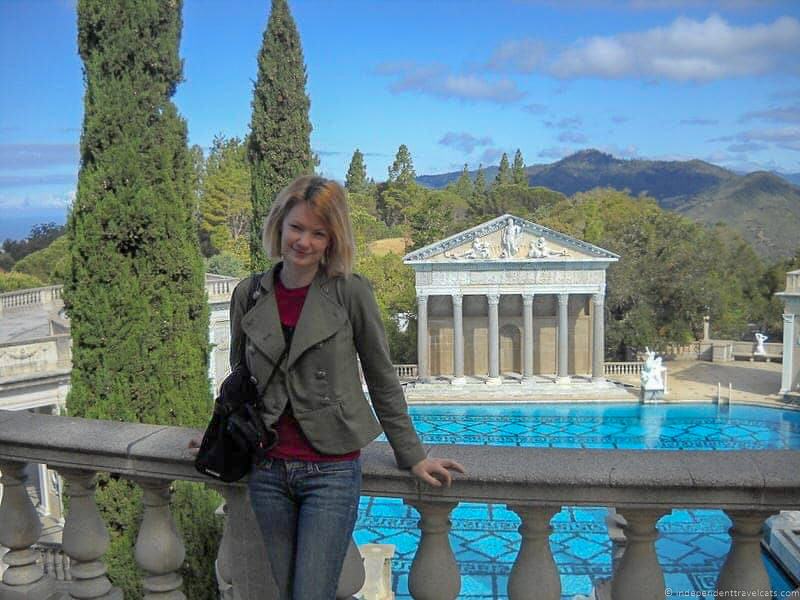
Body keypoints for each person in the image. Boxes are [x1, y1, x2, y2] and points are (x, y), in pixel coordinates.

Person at [225, 175, 464, 600]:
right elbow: (240, 378)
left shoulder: (350, 291)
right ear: (280, 224)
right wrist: (220, 433)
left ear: (333, 241)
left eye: (319, 233)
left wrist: (412, 455)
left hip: (330, 470)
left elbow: (381, 375)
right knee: (287, 591)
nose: (305, 242)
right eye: (297, 228)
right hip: (266, 469)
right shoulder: (249, 293)